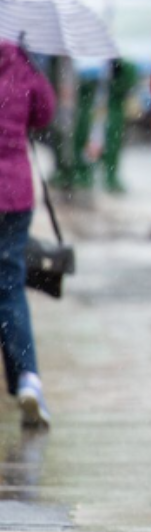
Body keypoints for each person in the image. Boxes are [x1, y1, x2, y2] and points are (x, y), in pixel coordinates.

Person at [0, 41, 55, 428]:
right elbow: (44, 114)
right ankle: (28, 379)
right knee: (9, 288)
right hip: (14, 195)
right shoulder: (22, 62)